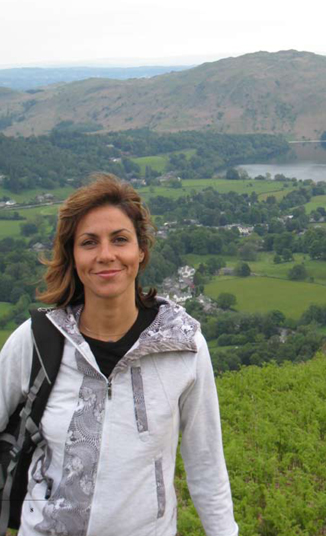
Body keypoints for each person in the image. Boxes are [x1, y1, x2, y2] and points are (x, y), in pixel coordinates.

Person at [0, 173, 238, 536]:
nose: (106, 255)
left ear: (140, 251)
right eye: (89, 243)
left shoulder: (183, 346)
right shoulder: (36, 341)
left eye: (120, 239)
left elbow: (206, 463)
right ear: (73, 256)